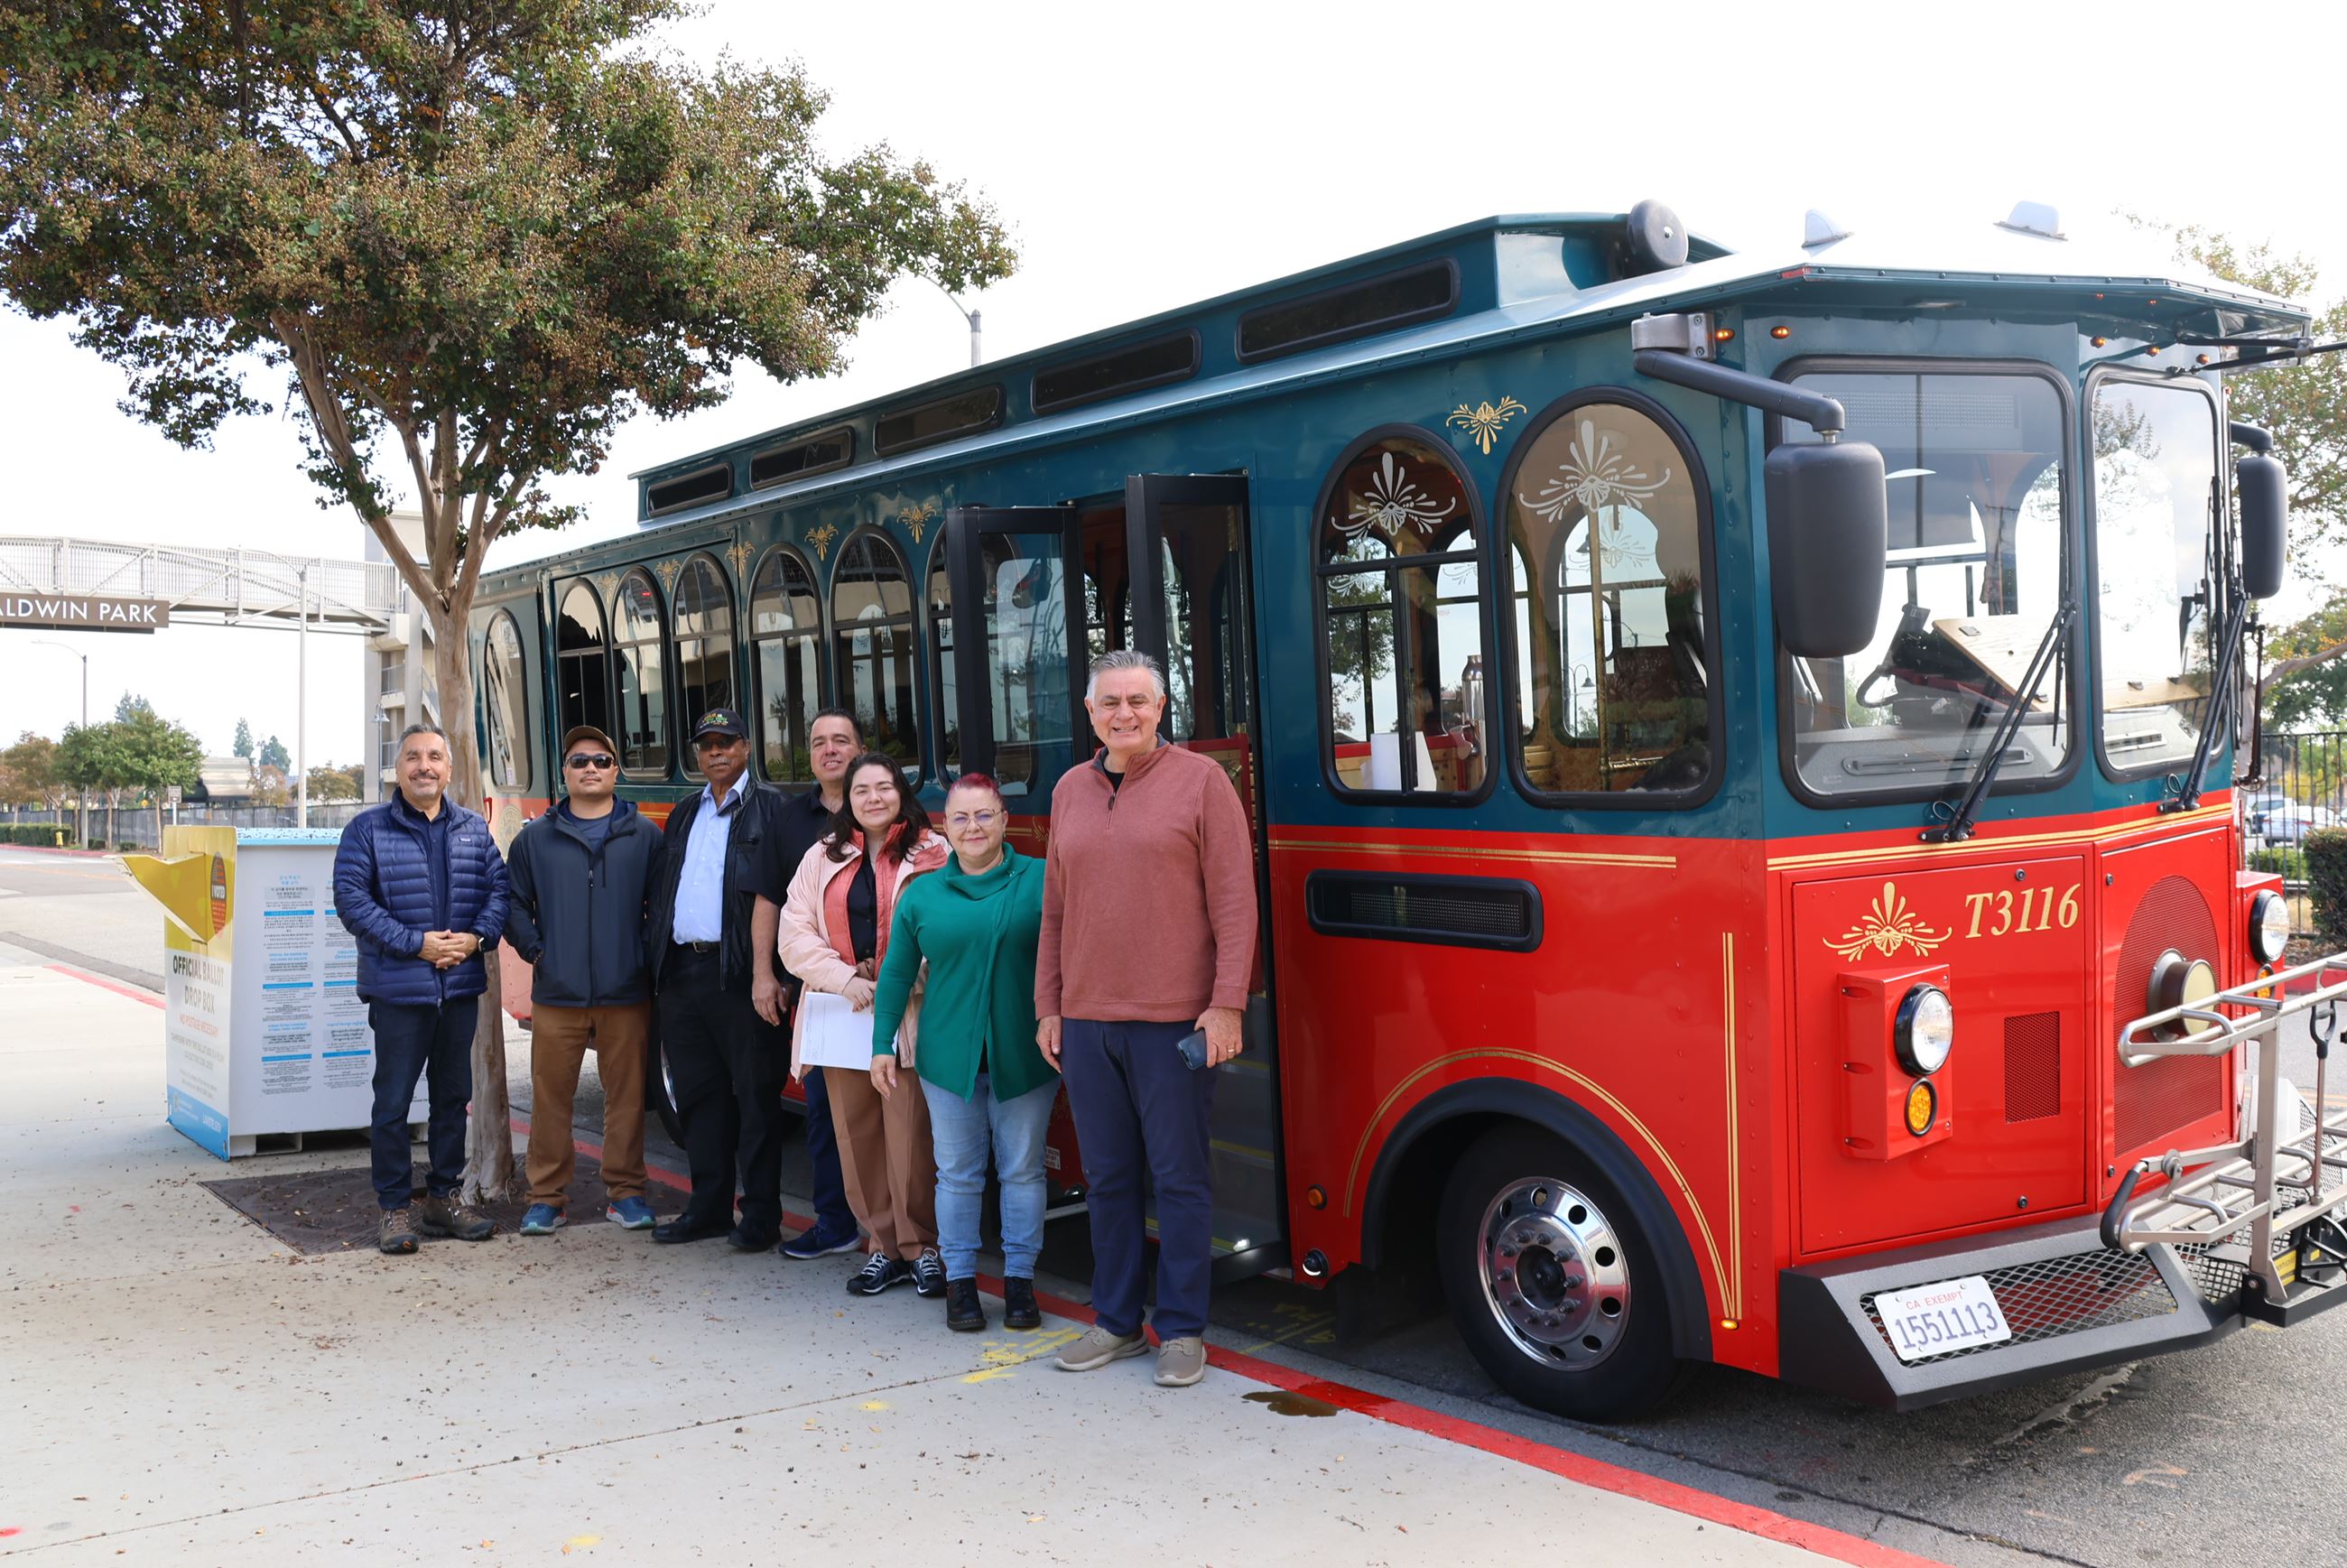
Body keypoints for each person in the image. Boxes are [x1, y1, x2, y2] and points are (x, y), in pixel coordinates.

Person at [1039, 650, 1257, 1387]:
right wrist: (1049, 1006)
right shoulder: (1070, 788)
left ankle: (1184, 1329)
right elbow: (1055, 912)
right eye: (1110, 703)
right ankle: (1116, 1322)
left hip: (1174, 1023)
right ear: (1090, 712)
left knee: (1180, 1177)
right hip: (1088, 1022)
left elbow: (1235, 903)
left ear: (1162, 708)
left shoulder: (1202, 783)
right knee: (1107, 1180)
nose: (1124, 713)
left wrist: (1226, 1003)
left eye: (1138, 700)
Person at [870, 773, 1054, 1333]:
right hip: (948, 1059)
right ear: (945, 828)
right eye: (960, 818)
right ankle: (961, 1285)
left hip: (1027, 1053)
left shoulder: (1043, 880)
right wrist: (882, 1045)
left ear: (1004, 820)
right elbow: (897, 972)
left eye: (983, 815)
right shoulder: (922, 892)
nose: (972, 827)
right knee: (957, 1175)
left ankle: (1020, 1284)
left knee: (1022, 1172)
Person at [332, 721, 511, 1256]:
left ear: (449, 769)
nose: (424, 766)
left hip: (458, 990)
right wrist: (418, 945)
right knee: (392, 1102)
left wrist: (476, 940)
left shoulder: (474, 830)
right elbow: (352, 902)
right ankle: (394, 1208)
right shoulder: (366, 831)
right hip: (399, 993)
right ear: (398, 769)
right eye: (413, 757)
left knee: (453, 1099)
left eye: (434, 756)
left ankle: (444, 1199)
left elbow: (499, 891)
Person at [777, 752, 949, 1297]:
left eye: (884, 787)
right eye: (861, 791)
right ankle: (881, 1247)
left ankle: (921, 1247)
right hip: (842, 1011)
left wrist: (902, 980)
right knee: (856, 1138)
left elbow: (947, 927)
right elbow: (794, 933)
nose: (873, 798)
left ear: (901, 792)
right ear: (845, 800)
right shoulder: (821, 858)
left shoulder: (933, 852)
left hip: (910, 1015)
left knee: (910, 1138)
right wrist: (843, 978)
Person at [503, 725, 667, 1237]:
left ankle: (627, 1193)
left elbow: (661, 908)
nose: (590, 768)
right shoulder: (535, 839)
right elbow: (511, 903)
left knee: (626, 1097)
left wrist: (640, 956)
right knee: (552, 1097)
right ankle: (547, 1198)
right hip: (557, 992)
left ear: (616, 770)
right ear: (566, 773)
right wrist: (537, 951)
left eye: (600, 759)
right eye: (579, 761)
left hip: (626, 992)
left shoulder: (645, 836)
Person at [644, 706, 796, 1250]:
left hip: (741, 977)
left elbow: (782, 897)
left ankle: (759, 1217)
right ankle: (708, 1209)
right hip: (683, 973)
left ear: (746, 748)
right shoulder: (684, 814)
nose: (716, 752)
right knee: (698, 1099)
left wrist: (772, 974)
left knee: (756, 1099)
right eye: (706, 744)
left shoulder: (772, 812)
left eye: (726, 742)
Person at [768, 708, 867, 1262]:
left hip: (893, 996)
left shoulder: (894, 819)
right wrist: (768, 974)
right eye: (819, 742)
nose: (830, 750)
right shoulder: (792, 823)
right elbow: (778, 911)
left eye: (841, 740)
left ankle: (898, 1235)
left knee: (897, 1121)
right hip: (827, 996)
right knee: (827, 1117)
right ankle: (835, 1222)